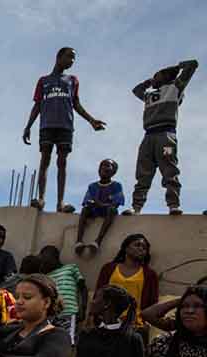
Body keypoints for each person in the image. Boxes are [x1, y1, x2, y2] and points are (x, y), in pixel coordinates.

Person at [23, 47, 106, 213]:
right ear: (59, 57)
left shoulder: (72, 80)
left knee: (62, 162)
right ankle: (41, 198)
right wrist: (28, 126)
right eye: (69, 57)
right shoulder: (43, 81)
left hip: (65, 126)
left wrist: (91, 120)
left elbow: (76, 104)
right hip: (47, 125)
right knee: (44, 160)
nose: (72, 61)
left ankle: (60, 203)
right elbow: (37, 105)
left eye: (74, 58)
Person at [123, 59, 199, 216]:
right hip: (148, 136)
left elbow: (192, 65)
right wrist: (149, 81)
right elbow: (136, 90)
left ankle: (173, 204)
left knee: (169, 169)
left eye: (156, 75)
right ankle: (136, 207)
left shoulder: (175, 88)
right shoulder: (150, 95)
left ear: (165, 76)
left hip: (166, 136)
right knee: (143, 172)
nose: (153, 78)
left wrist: (176, 67)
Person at [95, 234, 159, 335]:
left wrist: (146, 324)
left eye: (144, 248)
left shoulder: (150, 275)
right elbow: (98, 295)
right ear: (126, 248)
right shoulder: (108, 268)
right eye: (137, 245)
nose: (141, 249)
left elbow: (153, 303)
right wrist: (92, 317)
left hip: (135, 326)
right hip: (107, 323)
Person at [75, 159, 125, 255]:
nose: (104, 168)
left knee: (112, 210)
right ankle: (79, 241)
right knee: (85, 210)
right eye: (102, 165)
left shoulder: (116, 185)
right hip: (95, 210)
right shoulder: (92, 186)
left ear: (113, 172)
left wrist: (99, 204)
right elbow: (87, 201)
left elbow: (116, 202)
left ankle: (97, 241)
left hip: (107, 211)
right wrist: (92, 203)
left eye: (108, 166)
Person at [40, 245, 87, 337]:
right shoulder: (46, 276)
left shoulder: (71, 268)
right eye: (43, 260)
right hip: (52, 316)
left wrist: (83, 308)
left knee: (68, 340)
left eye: (46, 259)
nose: (44, 262)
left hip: (69, 313)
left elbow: (83, 289)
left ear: (55, 257)